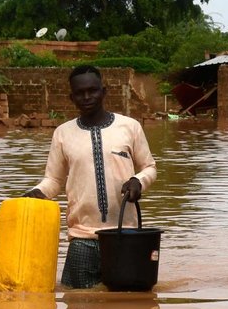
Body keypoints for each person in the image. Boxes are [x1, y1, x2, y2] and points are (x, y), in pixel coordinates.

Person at [25, 65, 157, 289]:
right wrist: (37, 192)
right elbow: (54, 180)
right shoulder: (63, 133)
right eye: (80, 93)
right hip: (81, 238)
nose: (87, 97)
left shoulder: (129, 127)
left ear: (104, 92)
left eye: (93, 90)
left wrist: (138, 181)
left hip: (125, 237)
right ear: (71, 97)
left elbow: (149, 167)